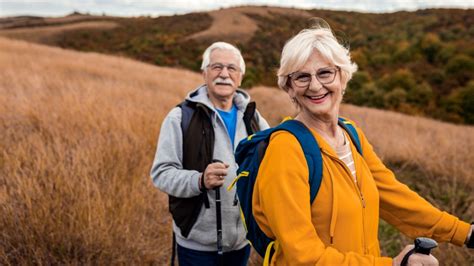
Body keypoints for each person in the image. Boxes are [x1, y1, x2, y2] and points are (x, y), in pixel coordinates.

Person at [252, 21, 473, 265]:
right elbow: (304, 256)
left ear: (343, 77)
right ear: (290, 88)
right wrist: (393, 264)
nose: (315, 86)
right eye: (302, 77)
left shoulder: (351, 134)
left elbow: (395, 196)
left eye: (325, 73)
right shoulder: (285, 150)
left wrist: (463, 232)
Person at [150, 42, 269, 266]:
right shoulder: (179, 118)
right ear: (204, 73)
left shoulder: (252, 117)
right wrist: (199, 180)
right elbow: (161, 173)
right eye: (216, 67)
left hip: (242, 241)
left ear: (240, 77)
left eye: (231, 68)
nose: (224, 74)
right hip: (197, 244)